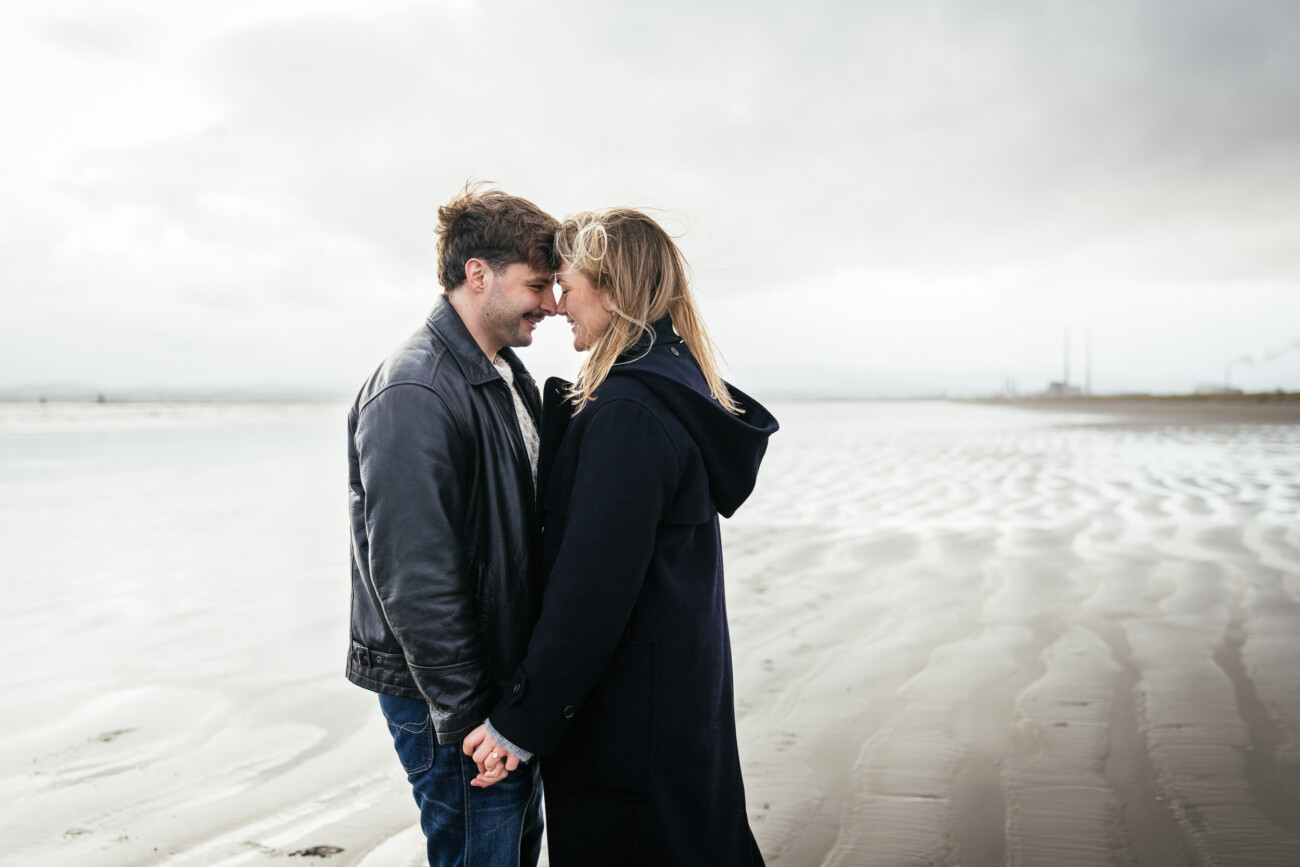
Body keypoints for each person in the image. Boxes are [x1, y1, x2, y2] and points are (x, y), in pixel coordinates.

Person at [463, 209, 779, 865]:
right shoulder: (672, 384)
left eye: (569, 284)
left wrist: (519, 723)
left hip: (630, 730)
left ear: (613, 290)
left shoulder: (630, 414)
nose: (558, 304)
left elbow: (591, 590)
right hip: (675, 709)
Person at [346, 185, 558, 867]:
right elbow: (414, 575)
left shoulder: (502, 373)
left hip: (499, 685)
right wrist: (470, 717)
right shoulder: (415, 390)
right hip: (448, 697)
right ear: (478, 274)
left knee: (515, 849)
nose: (552, 302)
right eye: (538, 283)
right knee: (481, 853)